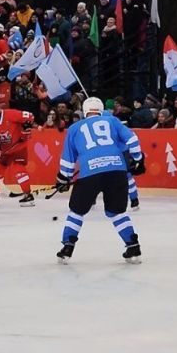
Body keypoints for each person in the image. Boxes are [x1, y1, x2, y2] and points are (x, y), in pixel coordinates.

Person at [55, 97, 144, 264]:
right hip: (117, 171)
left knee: (77, 211)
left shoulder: (74, 128)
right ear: (101, 109)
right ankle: (133, 246)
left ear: (84, 111)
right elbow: (132, 139)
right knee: (117, 212)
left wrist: (63, 178)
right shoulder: (112, 120)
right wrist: (138, 159)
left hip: (90, 174)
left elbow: (68, 159)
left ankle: (67, 246)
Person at [0, 99, 35, 206]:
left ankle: (28, 195)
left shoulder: (11, 114)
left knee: (18, 169)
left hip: (19, 147)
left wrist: (26, 125)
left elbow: (30, 115)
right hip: (5, 150)